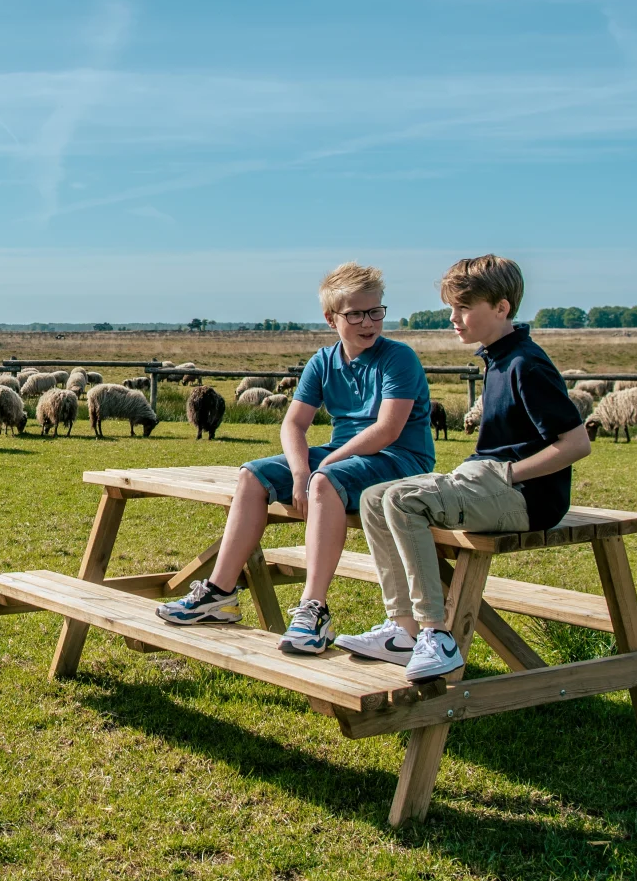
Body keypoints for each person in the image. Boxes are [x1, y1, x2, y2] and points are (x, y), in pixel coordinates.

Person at [156, 262, 435, 654]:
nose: (368, 322)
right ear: (330, 318)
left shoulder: (398, 358)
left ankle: (313, 610)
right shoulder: (323, 362)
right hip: (346, 460)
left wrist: (321, 468)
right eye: (355, 314)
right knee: (252, 476)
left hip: (400, 458)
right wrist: (301, 469)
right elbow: (293, 425)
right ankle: (219, 593)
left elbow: (387, 430)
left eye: (376, 312)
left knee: (324, 481)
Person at [338, 255, 590, 682]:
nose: (453, 319)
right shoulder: (498, 357)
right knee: (373, 498)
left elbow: (576, 443)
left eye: (463, 309)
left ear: (502, 308)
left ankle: (437, 635)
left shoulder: (526, 364)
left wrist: (509, 474)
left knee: (401, 500)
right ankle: (402, 631)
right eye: (451, 309)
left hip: (528, 498)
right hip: (493, 483)